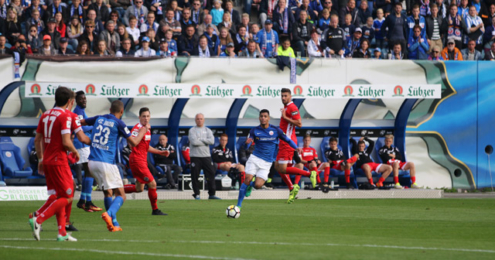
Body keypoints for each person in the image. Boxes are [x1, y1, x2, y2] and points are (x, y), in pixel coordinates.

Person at [81, 100, 146, 232]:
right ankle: (109, 214)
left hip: (92, 162)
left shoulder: (99, 118)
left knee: (108, 192)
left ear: (110, 109)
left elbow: (81, 122)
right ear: (121, 112)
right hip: (106, 163)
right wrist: (142, 132)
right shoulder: (119, 123)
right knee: (121, 195)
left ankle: (114, 224)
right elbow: (133, 143)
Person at [29, 87, 81, 242]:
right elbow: (66, 142)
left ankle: (62, 232)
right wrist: (75, 151)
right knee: (68, 196)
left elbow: (37, 140)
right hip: (59, 161)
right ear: (70, 101)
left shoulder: (45, 114)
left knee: (57, 196)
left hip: (48, 161)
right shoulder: (65, 116)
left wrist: (40, 159)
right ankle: (38, 218)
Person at [236, 109, 299, 210]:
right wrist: (247, 143)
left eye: (265, 116)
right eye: (261, 116)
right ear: (259, 118)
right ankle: (238, 205)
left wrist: (296, 147)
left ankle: (249, 186)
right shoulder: (254, 130)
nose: (263, 118)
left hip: (267, 163)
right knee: (247, 179)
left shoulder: (276, 130)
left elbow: (287, 140)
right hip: (255, 158)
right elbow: (247, 147)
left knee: (258, 185)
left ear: (269, 118)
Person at [123, 107, 169, 215]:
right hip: (137, 160)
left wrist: (160, 152)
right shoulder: (137, 128)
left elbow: (145, 147)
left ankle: (114, 190)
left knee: (139, 188)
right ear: (139, 117)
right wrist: (142, 132)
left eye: (148, 116)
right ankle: (155, 210)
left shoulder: (147, 129)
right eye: (143, 116)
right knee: (153, 184)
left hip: (142, 160)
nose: (146, 118)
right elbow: (131, 143)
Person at [275, 88, 316, 204]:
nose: (283, 98)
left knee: (282, 168)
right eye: (282, 96)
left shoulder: (292, 107)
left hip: (287, 142)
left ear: (290, 96)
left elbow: (299, 124)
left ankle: (310, 173)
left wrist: (285, 117)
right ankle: (292, 188)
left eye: (285, 96)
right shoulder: (287, 107)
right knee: (277, 166)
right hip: (283, 141)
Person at [72, 91, 102, 212]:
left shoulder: (80, 110)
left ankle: (82, 201)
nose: (84, 100)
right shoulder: (78, 111)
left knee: (88, 171)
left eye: (85, 99)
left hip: (83, 145)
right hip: (82, 145)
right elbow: (82, 127)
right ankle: (87, 202)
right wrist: (94, 126)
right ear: (76, 100)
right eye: (81, 99)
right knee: (89, 171)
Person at [188, 113, 220, 200]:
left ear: (204, 120)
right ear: (195, 120)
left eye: (201, 119)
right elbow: (194, 142)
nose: (199, 120)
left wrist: (200, 140)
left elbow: (212, 141)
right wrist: (206, 141)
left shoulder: (208, 130)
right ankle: (197, 194)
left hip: (206, 156)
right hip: (195, 156)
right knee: (195, 176)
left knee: (211, 175)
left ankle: (212, 194)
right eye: (198, 119)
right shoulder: (192, 130)